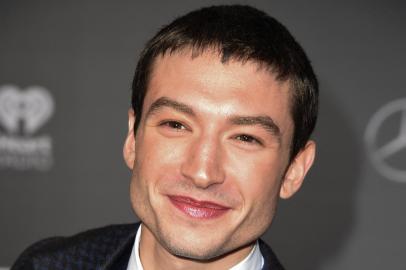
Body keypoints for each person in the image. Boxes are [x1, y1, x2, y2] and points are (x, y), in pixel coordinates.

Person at [12, 4, 318, 270]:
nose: (201, 173)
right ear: (133, 138)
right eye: (176, 125)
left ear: (294, 170)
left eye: (245, 138)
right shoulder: (44, 265)